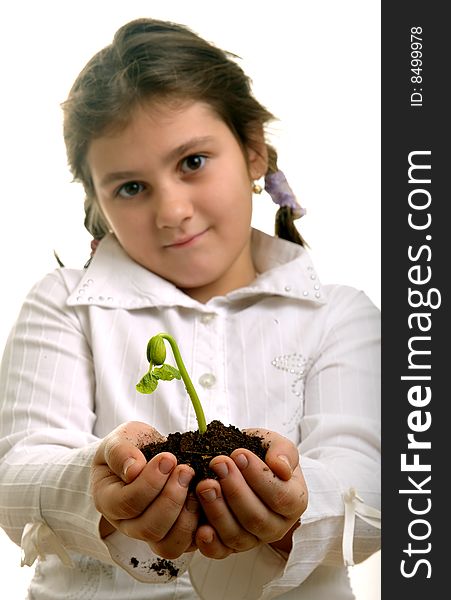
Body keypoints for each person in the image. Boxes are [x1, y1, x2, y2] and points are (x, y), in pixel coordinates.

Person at [0, 17, 380, 600]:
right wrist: (97, 487)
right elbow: (15, 477)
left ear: (254, 150)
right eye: (130, 187)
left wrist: (295, 500)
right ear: (98, 200)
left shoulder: (338, 314)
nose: (171, 211)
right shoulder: (64, 305)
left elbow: (375, 494)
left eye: (193, 162)